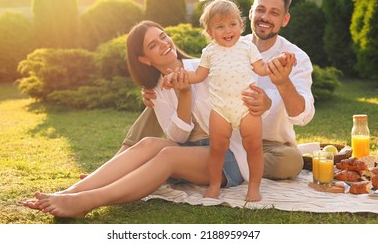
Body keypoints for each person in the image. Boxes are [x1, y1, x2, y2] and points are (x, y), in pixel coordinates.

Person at [23, 21, 249, 218]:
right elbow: (178, 136)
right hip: (193, 151)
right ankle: (69, 192)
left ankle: (85, 202)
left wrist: (186, 92)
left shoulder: (206, 69)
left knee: (169, 154)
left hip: (229, 156)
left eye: (163, 36)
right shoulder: (156, 90)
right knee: (149, 144)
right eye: (153, 45)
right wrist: (182, 96)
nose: (163, 44)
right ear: (144, 59)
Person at [118, 0, 315, 181]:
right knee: (159, 94)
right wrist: (159, 88)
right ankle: (123, 158)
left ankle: (220, 165)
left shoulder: (296, 58)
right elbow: (197, 71)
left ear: (285, 19)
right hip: (229, 132)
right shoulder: (229, 40)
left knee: (291, 162)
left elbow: (303, 117)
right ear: (250, 13)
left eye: (274, 13)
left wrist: (282, 85)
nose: (265, 17)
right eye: (261, 10)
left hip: (270, 143)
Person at [163, 0, 296, 200]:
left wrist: (279, 61)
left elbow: (262, 68)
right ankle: (215, 185)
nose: (228, 31)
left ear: (241, 25)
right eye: (220, 26)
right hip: (220, 109)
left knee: (254, 146)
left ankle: (254, 187)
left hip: (246, 107)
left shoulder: (247, 48)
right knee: (217, 149)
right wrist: (175, 76)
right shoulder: (209, 53)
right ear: (209, 32)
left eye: (232, 24)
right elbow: (198, 76)